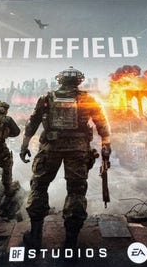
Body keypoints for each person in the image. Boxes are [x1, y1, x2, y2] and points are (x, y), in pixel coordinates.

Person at [20, 66, 111, 249]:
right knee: (76, 191)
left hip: (50, 148)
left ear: (60, 80)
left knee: (39, 186)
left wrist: (24, 146)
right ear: (79, 80)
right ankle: (71, 242)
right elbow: (102, 124)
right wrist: (106, 145)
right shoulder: (88, 99)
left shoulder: (47, 98)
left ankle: (35, 236)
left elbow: (32, 123)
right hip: (78, 150)